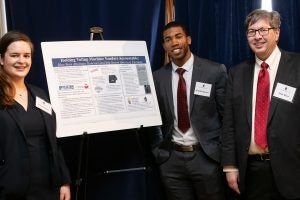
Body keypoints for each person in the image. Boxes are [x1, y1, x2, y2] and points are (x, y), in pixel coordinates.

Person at [222, 9, 300, 200]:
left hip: (293, 167)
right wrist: (230, 166)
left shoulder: (297, 66)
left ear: (277, 33)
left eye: (263, 30)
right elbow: (229, 124)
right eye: (251, 31)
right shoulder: (237, 73)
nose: (257, 37)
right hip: (252, 169)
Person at [151, 21, 227, 200]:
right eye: (168, 39)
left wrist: (220, 153)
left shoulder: (214, 71)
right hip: (171, 161)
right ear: (164, 45)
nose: (174, 43)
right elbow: (154, 121)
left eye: (178, 37)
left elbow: (228, 117)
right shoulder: (157, 77)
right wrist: (158, 151)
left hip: (206, 158)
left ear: (188, 39)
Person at [0, 31, 71, 200]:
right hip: (10, 191)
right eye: (15, 55)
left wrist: (64, 181)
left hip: (48, 190)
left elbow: (54, 142)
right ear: (2, 59)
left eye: (27, 55)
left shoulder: (40, 95)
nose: (22, 61)